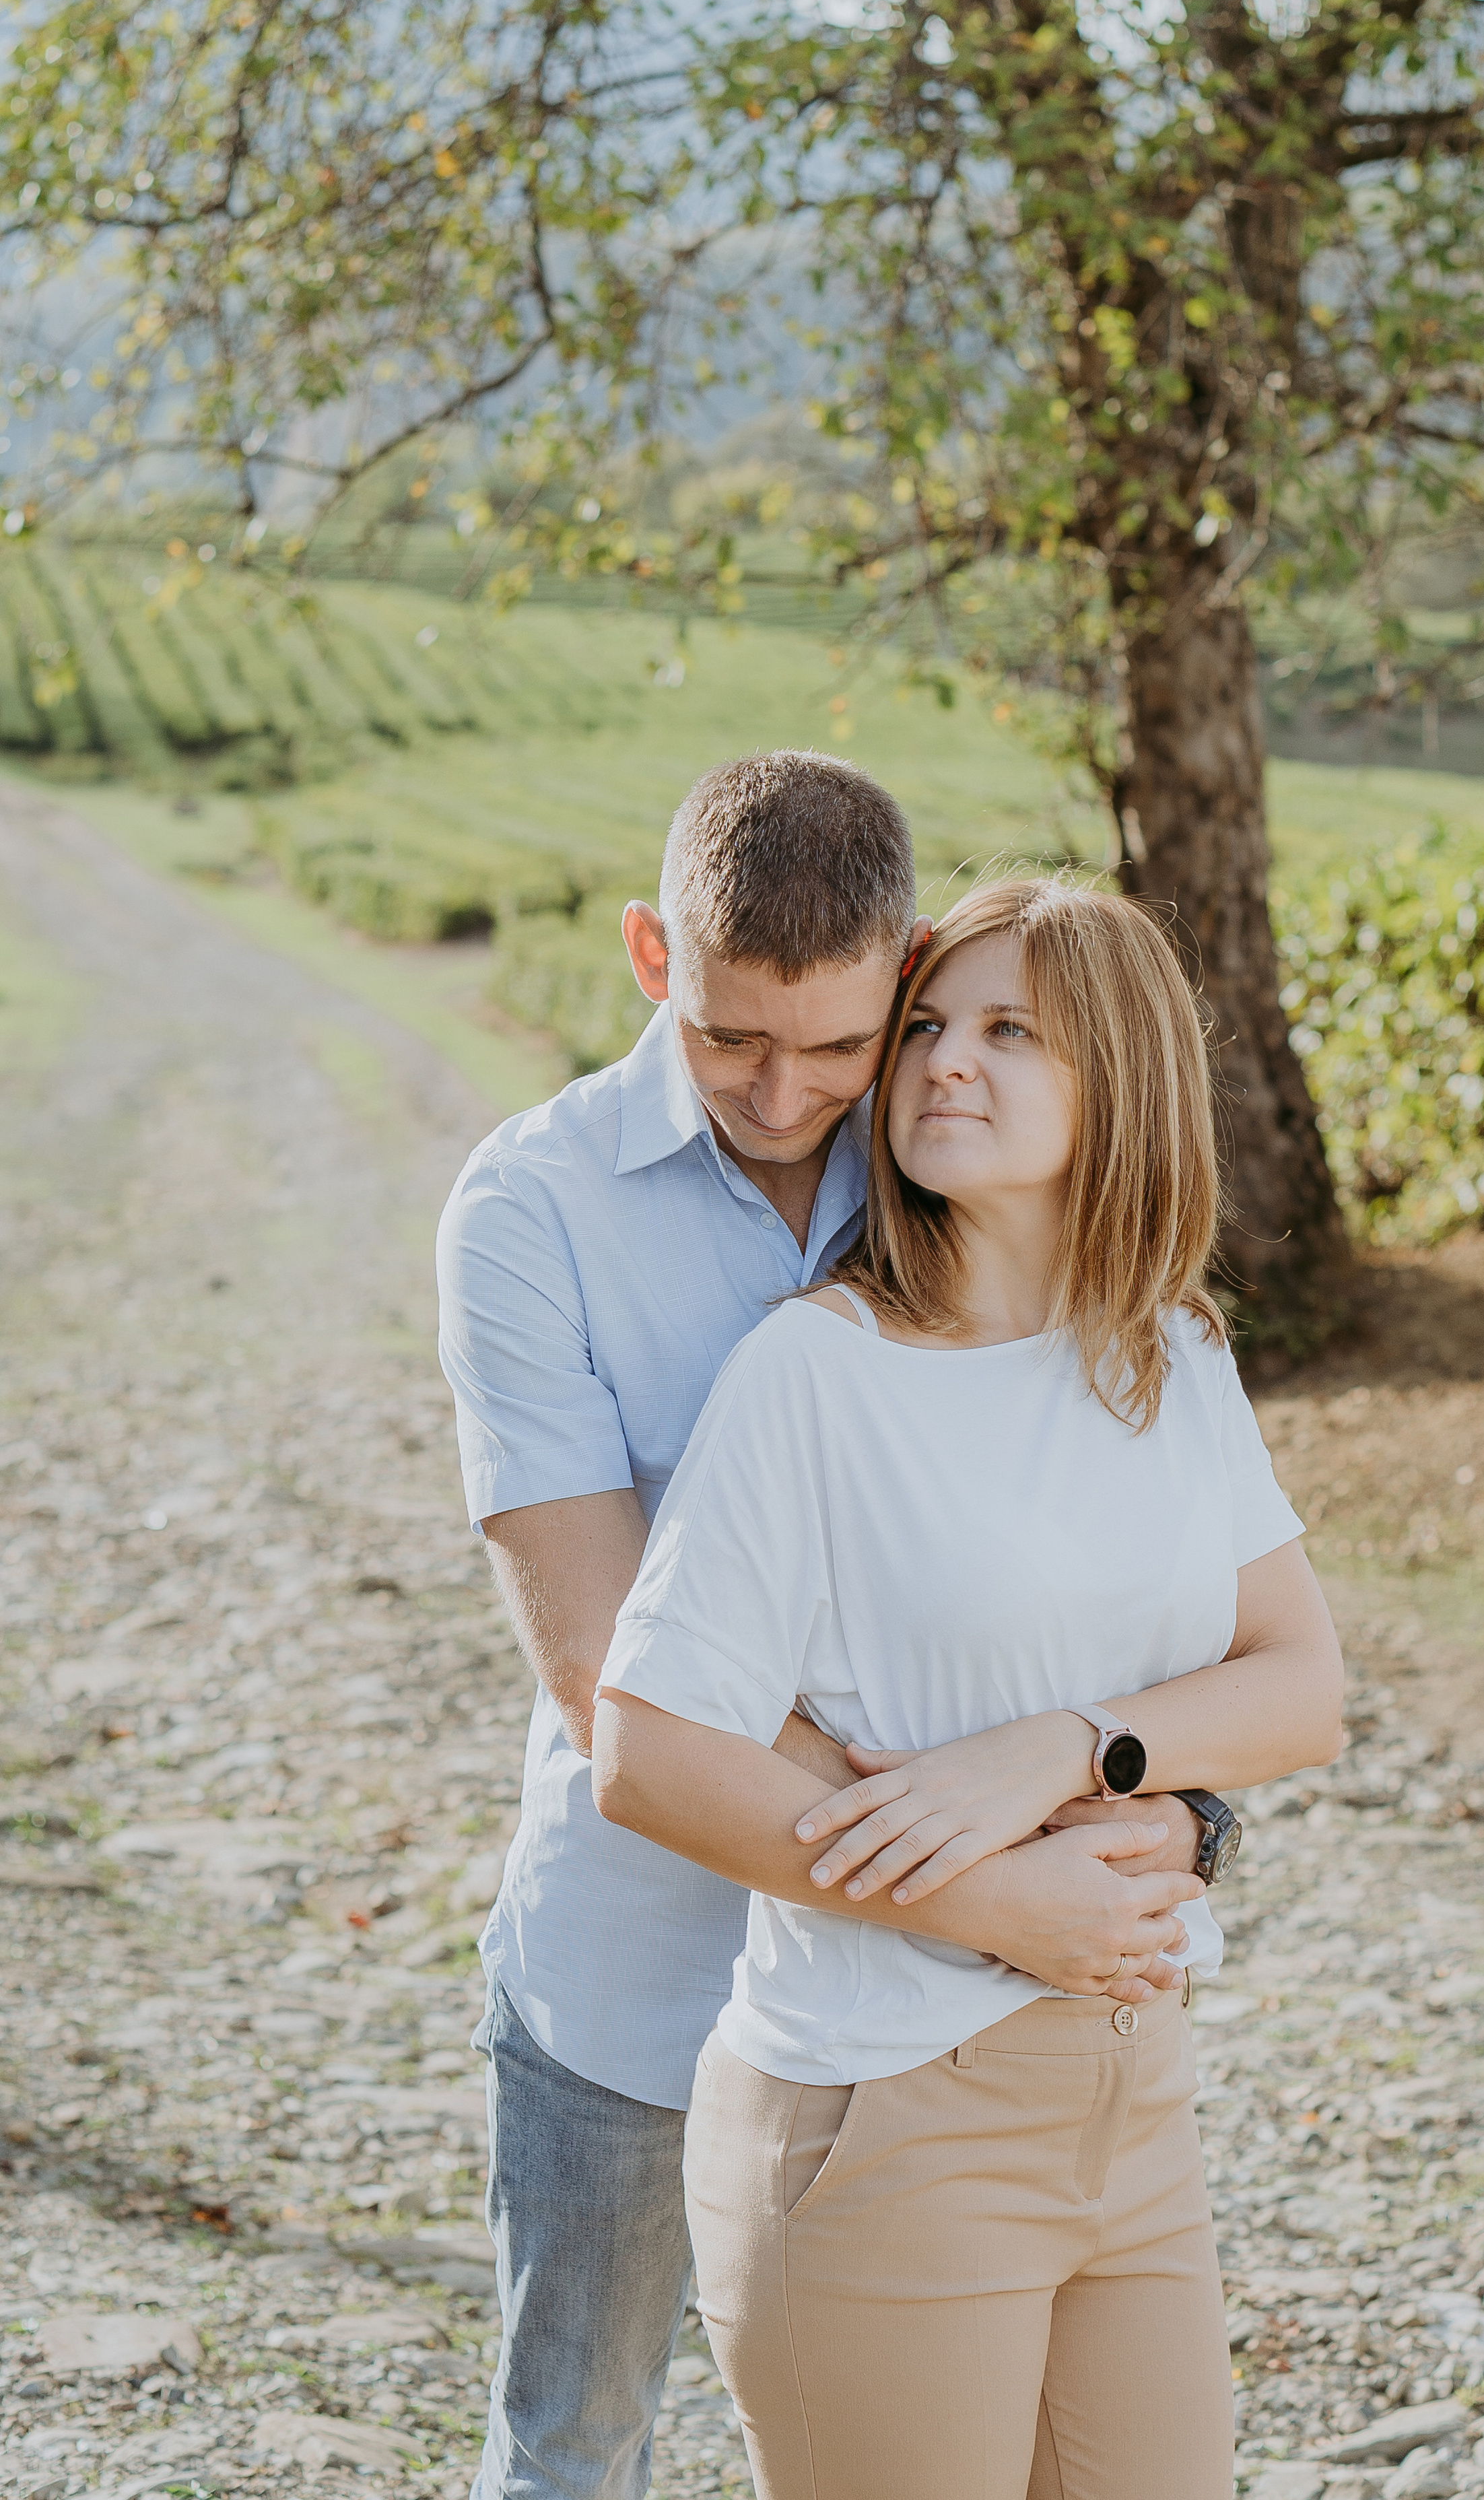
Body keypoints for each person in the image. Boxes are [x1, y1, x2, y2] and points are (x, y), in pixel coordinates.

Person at [436, 761, 1223, 2500]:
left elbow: (1094, 1579)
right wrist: (984, 1878)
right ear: (651, 955)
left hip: (938, 2028)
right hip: (640, 1968)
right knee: (574, 2448)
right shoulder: (529, 1212)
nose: (785, 1095)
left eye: (839, 1047)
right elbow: (608, 1674)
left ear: (908, 973)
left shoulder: (956, 1161)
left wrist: (1172, 1803)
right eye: (731, 1040)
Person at [592, 875, 1345, 2500]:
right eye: (928, 1025)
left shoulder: (1169, 1352)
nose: (944, 1060)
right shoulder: (816, 1375)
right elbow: (647, 1752)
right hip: (882, 2111)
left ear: (1119, 1079)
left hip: (1133, 2093)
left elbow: (1300, 1686)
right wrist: (993, 1902)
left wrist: (1071, 1750)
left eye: (1011, 1032)